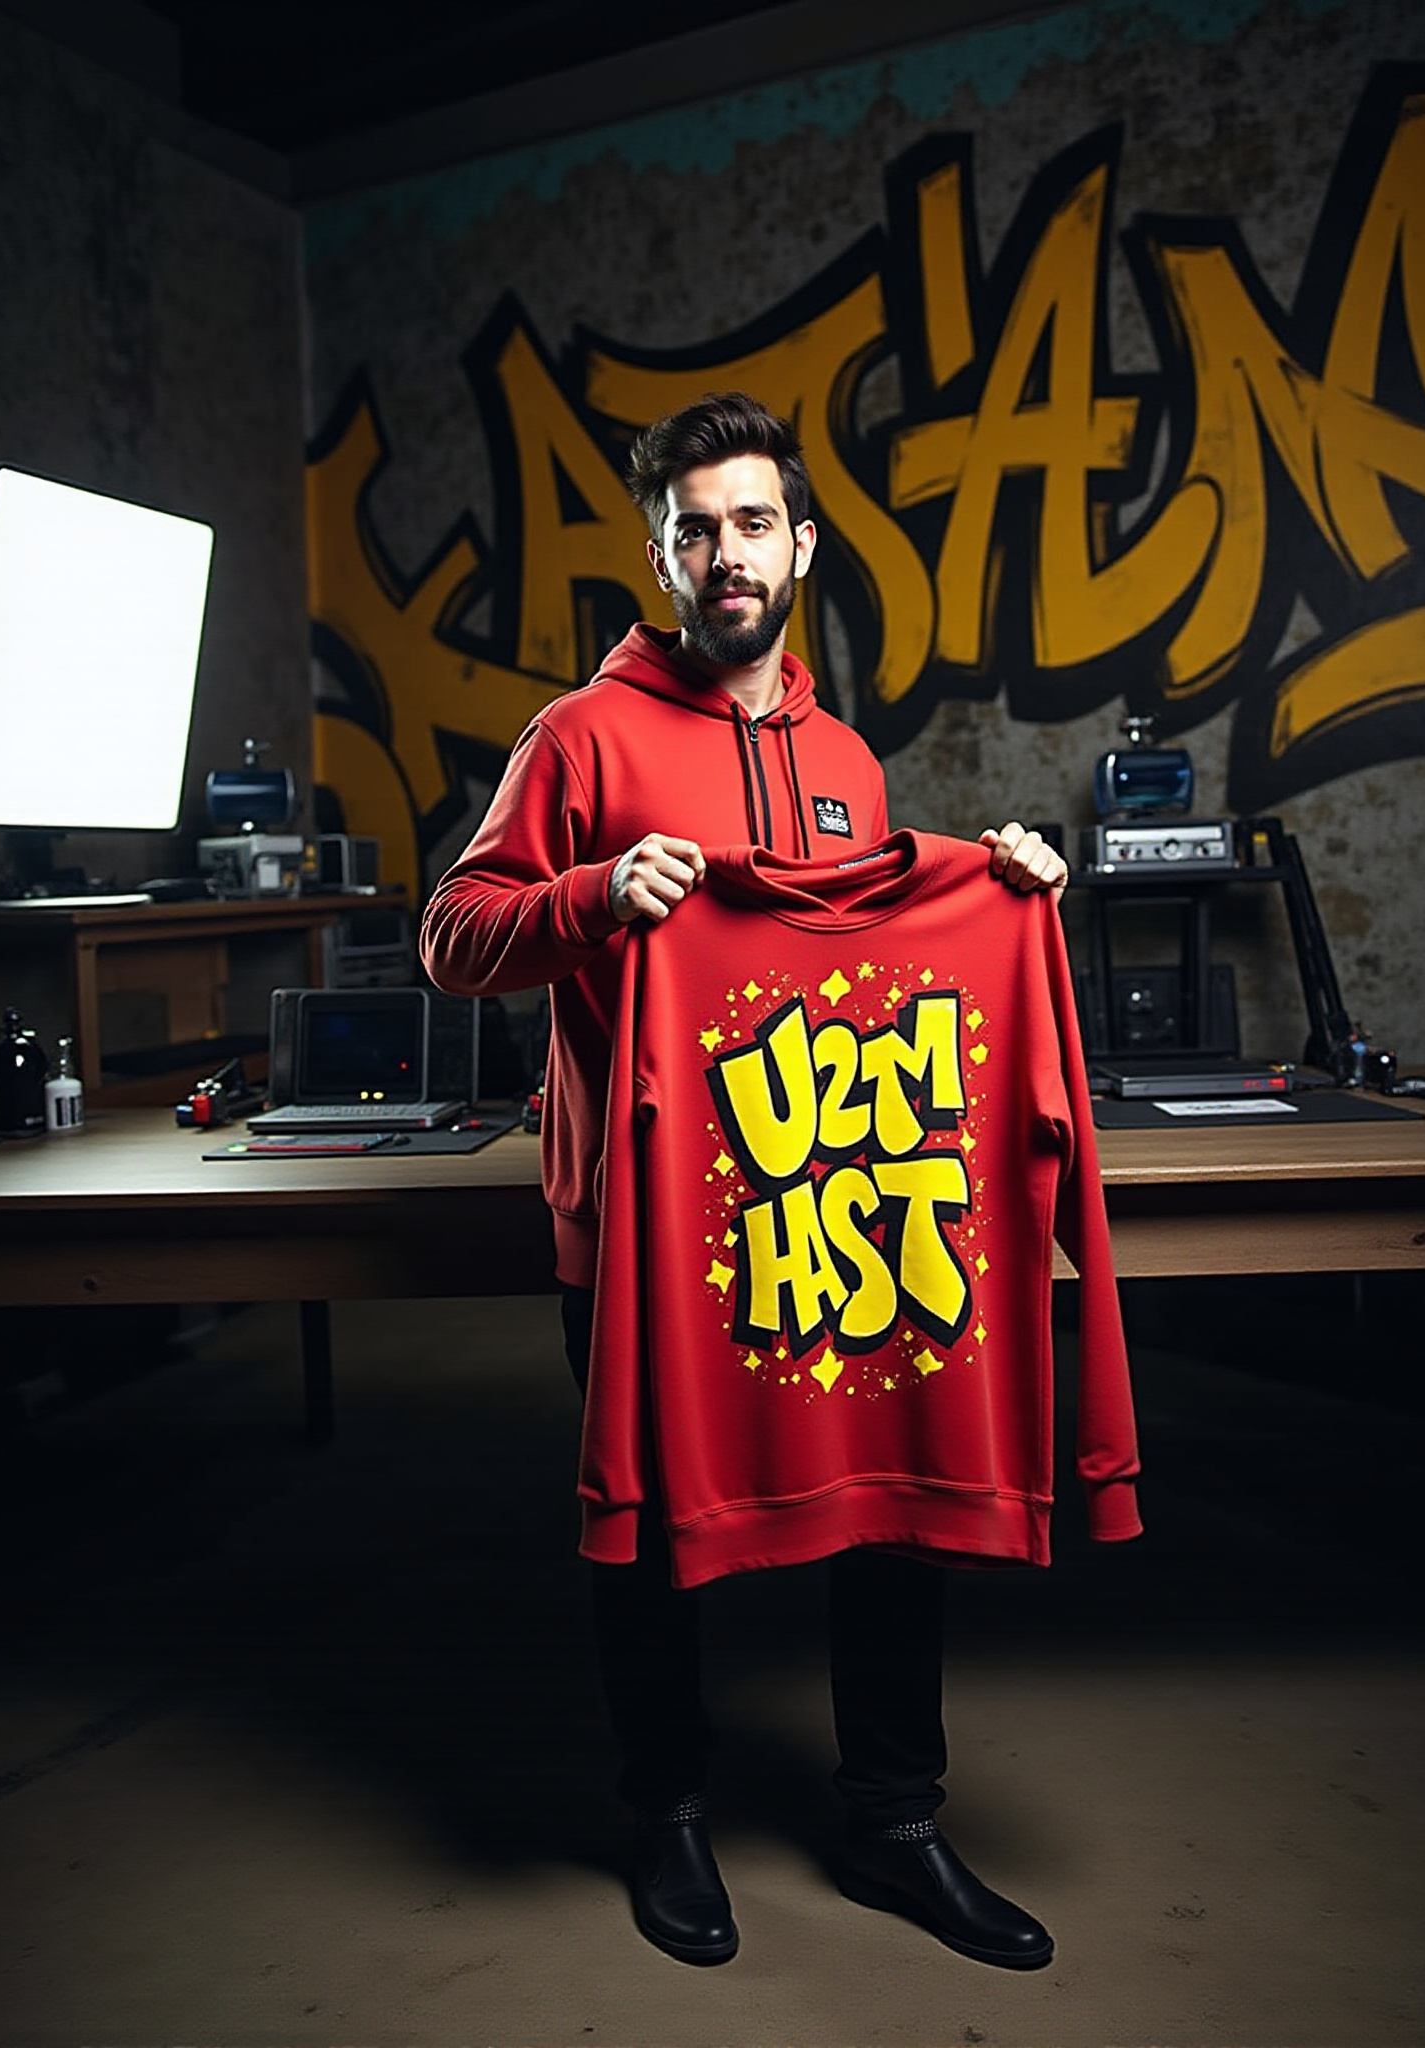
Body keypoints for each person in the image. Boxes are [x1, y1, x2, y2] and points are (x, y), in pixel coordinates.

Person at [420, 391, 1068, 1969]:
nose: (726, 552)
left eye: (752, 522)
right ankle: (669, 1818)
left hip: (833, 1202)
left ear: (802, 543)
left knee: (895, 1510)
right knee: (649, 1534)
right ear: (662, 555)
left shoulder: (846, 753)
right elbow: (451, 935)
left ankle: (897, 1822)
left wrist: (1004, 885)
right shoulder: (578, 736)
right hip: (643, 1233)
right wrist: (584, 894)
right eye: (693, 528)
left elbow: (878, 971)